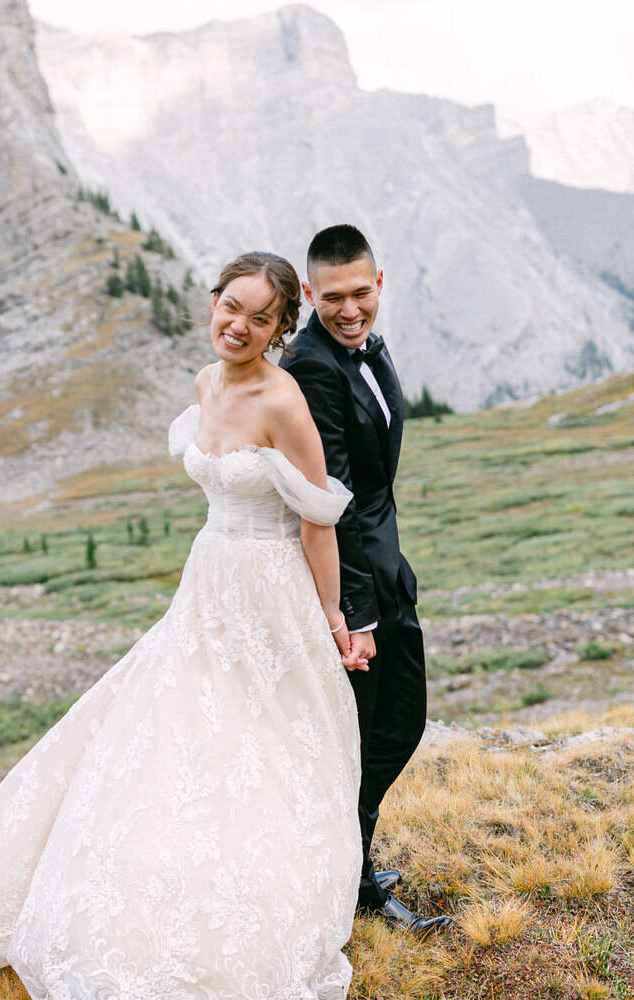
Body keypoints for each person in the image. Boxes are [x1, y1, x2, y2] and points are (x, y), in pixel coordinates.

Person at [0, 251, 369, 999]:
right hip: (209, 580)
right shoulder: (204, 383)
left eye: (261, 318)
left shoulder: (284, 401)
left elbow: (317, 519)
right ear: (213, 302)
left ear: (282, 327)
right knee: (185, 727)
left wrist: (332, 615)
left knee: (269, 736)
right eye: (232, 306)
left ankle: (254, 887)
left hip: (270, 583)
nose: (240, 326)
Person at [281, 225, 453, 935]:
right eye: (332, 299)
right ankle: (348, 882)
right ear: (310, 293)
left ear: (379, 283)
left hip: (387, 570)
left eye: (361, 294)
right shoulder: (312, 367)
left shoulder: (363, 347)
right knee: (364, 737)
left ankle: (345, 860)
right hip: (357, 592)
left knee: (396, 724)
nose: (350, 311)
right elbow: (334, 499)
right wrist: (355, 616)